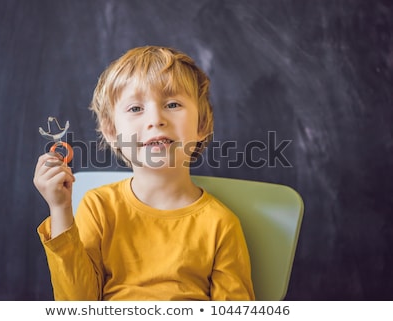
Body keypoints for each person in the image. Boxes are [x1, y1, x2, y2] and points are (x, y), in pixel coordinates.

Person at [33, 45, 255, 300]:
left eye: (172, 104)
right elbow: (78, 304)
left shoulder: (221, 225)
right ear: (111, 131)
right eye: (136, 109)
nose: (156, 119)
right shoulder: (99, 207)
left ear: (201, 125)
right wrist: (60, 209)